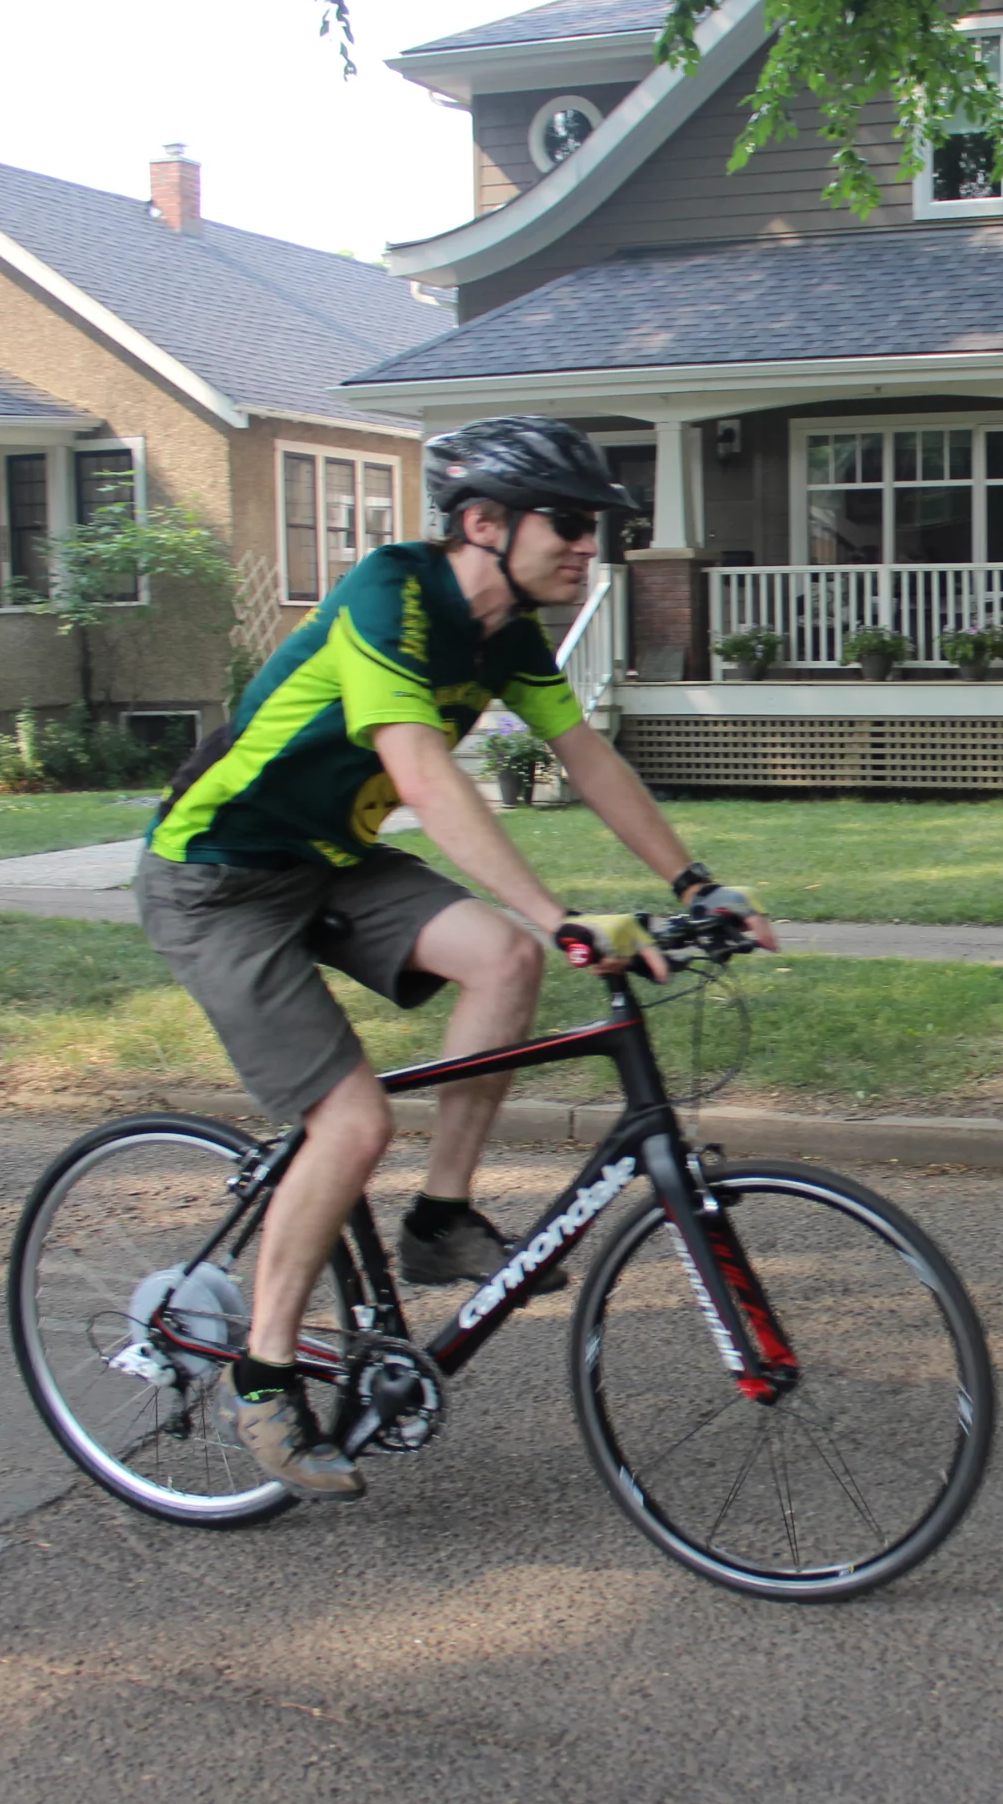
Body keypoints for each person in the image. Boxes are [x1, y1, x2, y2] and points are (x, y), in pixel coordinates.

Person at [135, 415, 773, 1501]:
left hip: (331, 860)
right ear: (482, 523)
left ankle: (438, 1219)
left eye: (600, 528)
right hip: (220, 878)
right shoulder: (391, 596)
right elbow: (426, 779)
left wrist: (693, 883)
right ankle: (262, 1375)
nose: (590, 546)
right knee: (351, 1119)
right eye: (570, 524)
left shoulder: (507, 634)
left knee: (505, 963)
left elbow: (588, 757)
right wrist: (559, 909)